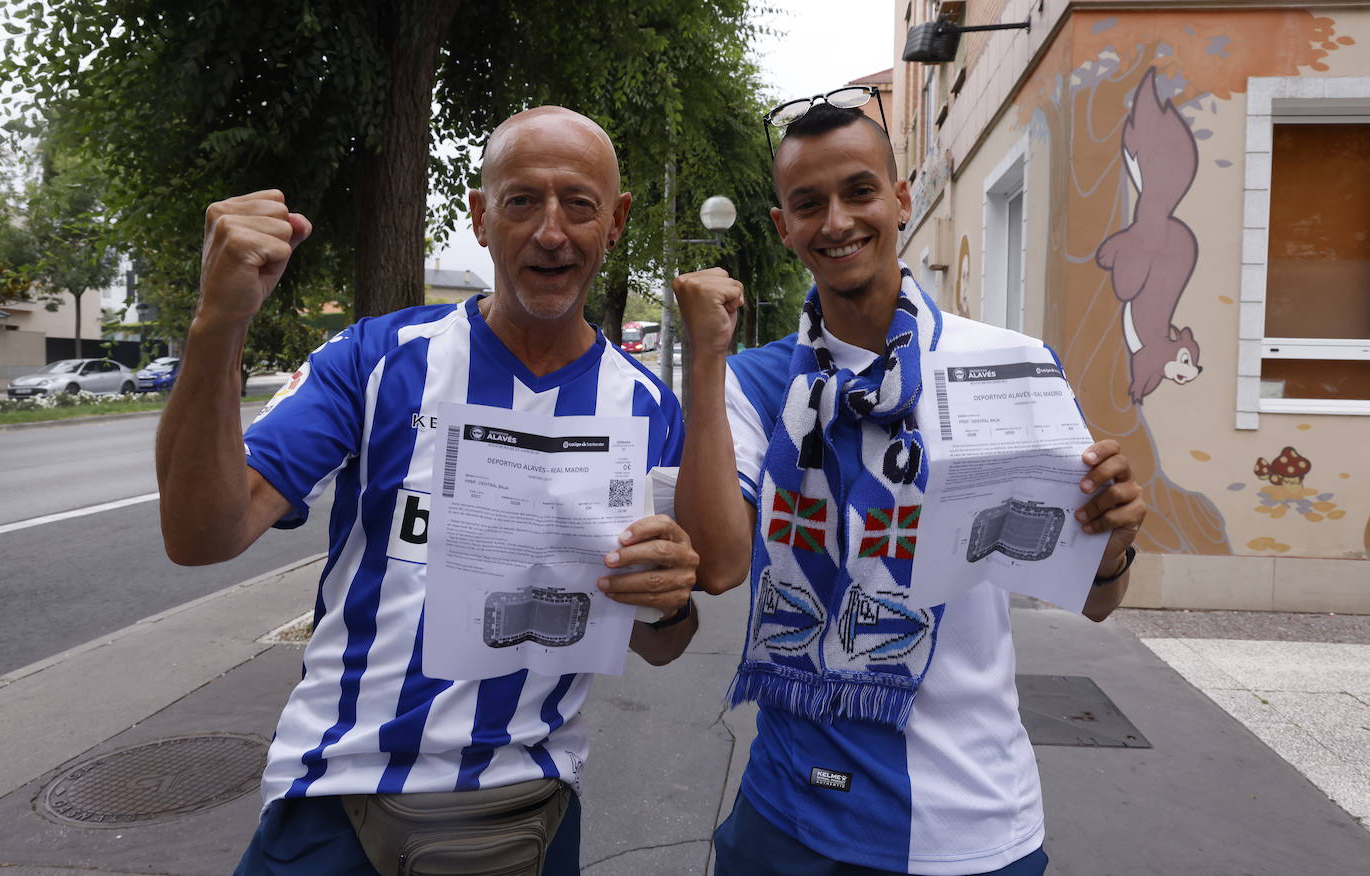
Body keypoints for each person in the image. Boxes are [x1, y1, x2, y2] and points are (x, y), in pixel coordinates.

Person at [156, 106, 700, 875]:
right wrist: (218, 322)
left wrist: (671, 598)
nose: (551, 231)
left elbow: (661, 642)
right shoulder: (377, 358)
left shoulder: (648, 407)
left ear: (615, 223)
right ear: (480, 219)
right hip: (338, 795)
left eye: (578, 204)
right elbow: (200, 534)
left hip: (526, 809)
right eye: (521, 202)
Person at [673, 99, 1147, 875]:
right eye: (807, 204)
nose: (836, 221)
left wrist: (1114, 540)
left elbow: (1093, 598)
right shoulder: (752, 383)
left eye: (859, 192)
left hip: (971, 819)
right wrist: (701, 357)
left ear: (900, 198)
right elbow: (718, 564)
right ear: (781, 225)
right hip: (789, 814)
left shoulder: (1006, 366)